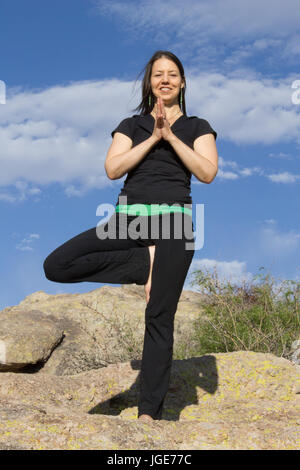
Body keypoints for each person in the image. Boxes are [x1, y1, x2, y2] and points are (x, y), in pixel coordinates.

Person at [43, 50, 218, 422]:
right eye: (158, 74)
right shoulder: (131, 125)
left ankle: (148, 414)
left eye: (173, 74)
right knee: (57, 264)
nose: (166, 80)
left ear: (182, 82)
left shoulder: (198, 126)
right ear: (150, 82)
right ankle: (145, 262)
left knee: (159, 315)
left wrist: (171, 136)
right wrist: (153, 137)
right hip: (128, 219)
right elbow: (112, 168)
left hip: (174, 223)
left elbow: (207, 172)